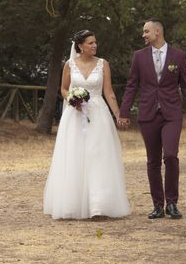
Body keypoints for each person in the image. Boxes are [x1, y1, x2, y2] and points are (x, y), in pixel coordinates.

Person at [43, 30, 131, 220]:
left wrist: (118, 114)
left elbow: (109, 92)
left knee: (98, 157)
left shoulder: (103, 64)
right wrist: (72, 98)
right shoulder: (69, 65)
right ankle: (71, 204)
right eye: (90, 43)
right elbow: (64, 88)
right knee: (75, 156)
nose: (94, 45)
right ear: (80, 46)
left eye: (95, 42)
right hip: (75, 116)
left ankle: (98, 205)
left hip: (98, 114)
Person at [117, 19, 186, 219]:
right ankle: (157, 205)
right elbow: (132, 86)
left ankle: (172, 203)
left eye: (146, 31)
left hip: (171, 114)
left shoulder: (178, 56)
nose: (143, 35)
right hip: (148, 113)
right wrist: (124, 112)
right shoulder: (139, 57)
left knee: (170, 156)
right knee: (153, 161)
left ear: (158, 32)